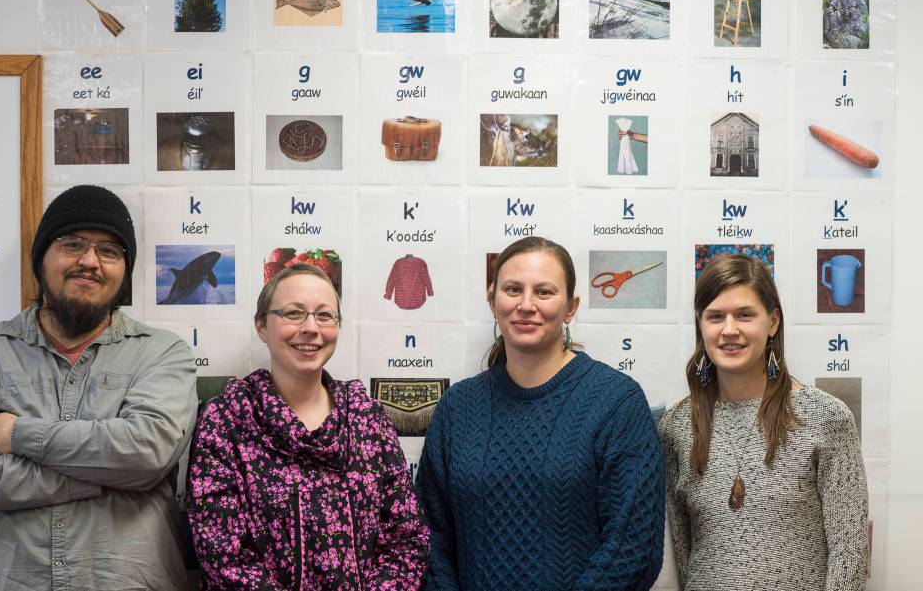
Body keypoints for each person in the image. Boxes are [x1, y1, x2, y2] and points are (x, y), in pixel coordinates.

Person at [0, 184, 198, 591]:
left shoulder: (162, 353)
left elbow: (147, 453)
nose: (90, 261)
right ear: (41, 259)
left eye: (109, 251)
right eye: (72, 244)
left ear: (124, 272)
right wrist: (102, 477)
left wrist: (17, 432)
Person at [415, 236, 665, 591]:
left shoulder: (616, 402)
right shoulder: (458, 407)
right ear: (493, 301)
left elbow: (634, 548)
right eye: (513, 289)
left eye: (544, 292)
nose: (526, 305)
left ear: (571, 307)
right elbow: (429, 536)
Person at [187, 263, 430, 590]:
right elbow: (222, 551)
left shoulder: (367, 417)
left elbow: (406, 538)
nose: (311, 328)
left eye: (325, 316)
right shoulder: (226, 419)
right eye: (293, 313)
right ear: (261, 326)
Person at [658, 253, 868, 590]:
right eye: (715, 316)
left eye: (744, 315)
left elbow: (850, 555)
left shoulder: (825, 417)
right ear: (700, 324)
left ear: (772, 323)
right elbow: (681, 549)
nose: (729, 330)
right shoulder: (677, 426)